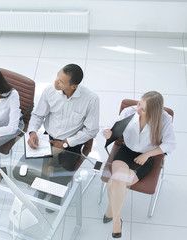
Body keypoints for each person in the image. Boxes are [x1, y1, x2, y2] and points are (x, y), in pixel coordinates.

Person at [102, 91, 176, 238]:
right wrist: (107, 132)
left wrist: (148, 154)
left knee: (115, 181)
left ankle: (111, 209)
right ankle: (117, 221)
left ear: (154, 112)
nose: (138, 109)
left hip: (145, 158)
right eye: (139, 104)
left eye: (142, 108)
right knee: (118, 179)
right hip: (125, 152)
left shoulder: (164, 119)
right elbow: (112, 127)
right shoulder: (129, 111)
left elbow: (171, 144)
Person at [26, 63, 99, 209]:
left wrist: (65, 143)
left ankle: (55, 194)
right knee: (38, 165)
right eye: (57, 77)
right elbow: (38, 115)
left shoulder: (91, 99)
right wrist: (33, 131)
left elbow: (91, 131)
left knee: (61, 170)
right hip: (49, 137)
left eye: (61, 81)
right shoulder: (49, 91)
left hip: (72, 142)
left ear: (74, 86)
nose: (55, 83)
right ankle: (44, 186)